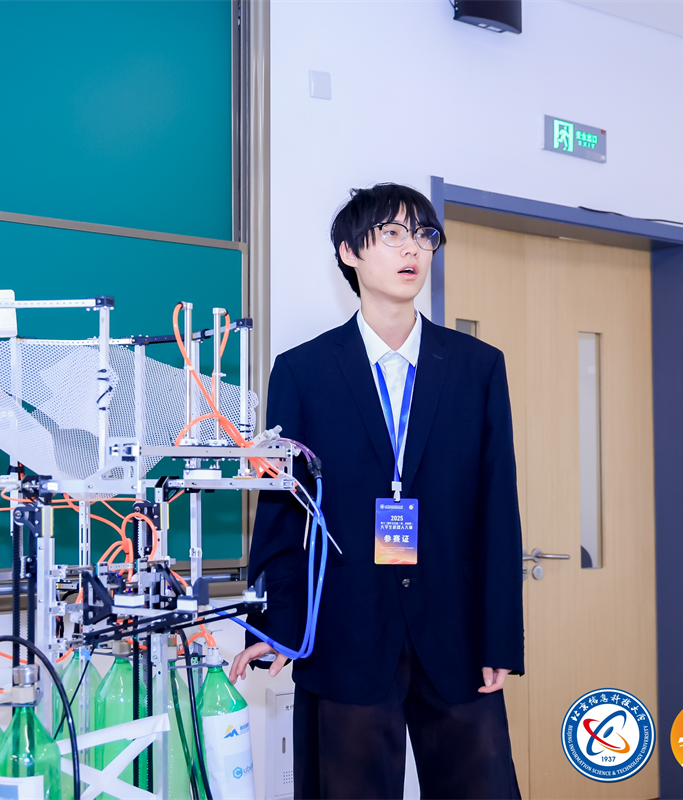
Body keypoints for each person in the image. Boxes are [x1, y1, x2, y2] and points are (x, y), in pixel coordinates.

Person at [228, 183, 524, 799]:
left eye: (424, 235)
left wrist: (500, 635)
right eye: (392, 234)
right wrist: (275, 626)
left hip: (457, 634)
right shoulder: (304, 371)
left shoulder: (477, 366)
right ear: (349, 252)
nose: (412, 248)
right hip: (345, 629)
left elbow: (498, 509)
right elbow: (283, 509)